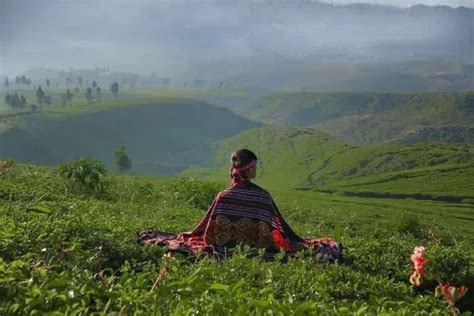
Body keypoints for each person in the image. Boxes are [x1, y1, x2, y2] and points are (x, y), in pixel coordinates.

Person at [138, 149, 342, 262]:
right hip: (260, 251)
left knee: (187, 238)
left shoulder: (222, 196)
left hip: (221, 249)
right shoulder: (263, 197)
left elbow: (206, 231)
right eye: (254, 166)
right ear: (249, 167)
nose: (256, 170)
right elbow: (279, 230)